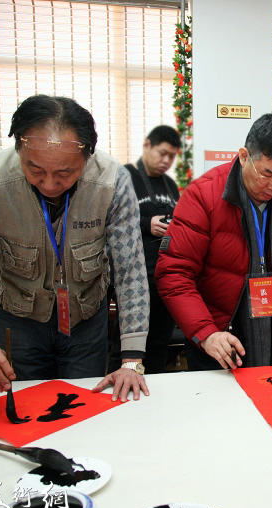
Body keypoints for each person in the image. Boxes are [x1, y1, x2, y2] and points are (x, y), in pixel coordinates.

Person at [0, 94, 150, 402]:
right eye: (34, 169)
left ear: (88, 156)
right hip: (17, 320)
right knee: (27, 408)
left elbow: (130, 272)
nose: (49, 184)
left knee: (83, 406)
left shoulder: (113, 183)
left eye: (65, 172)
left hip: (86, 320)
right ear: (18, 149)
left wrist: (132, 360)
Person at [155, 112, 272, 371]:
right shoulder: (203, 196)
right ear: (244, 156)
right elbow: (174, 273)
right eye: (267, 174)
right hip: (219, 333)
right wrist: (206, 333)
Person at [108, 125, 181, 374]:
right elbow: (109, 220)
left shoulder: (170, 184)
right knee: (125, 344)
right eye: (162, 153)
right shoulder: (125, 176)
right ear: (147, 145)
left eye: (172, 156)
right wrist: (145, 223)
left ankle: (155, 388)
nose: (166, 161)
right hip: (134, 279)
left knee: (160, 342)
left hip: (165, 275)